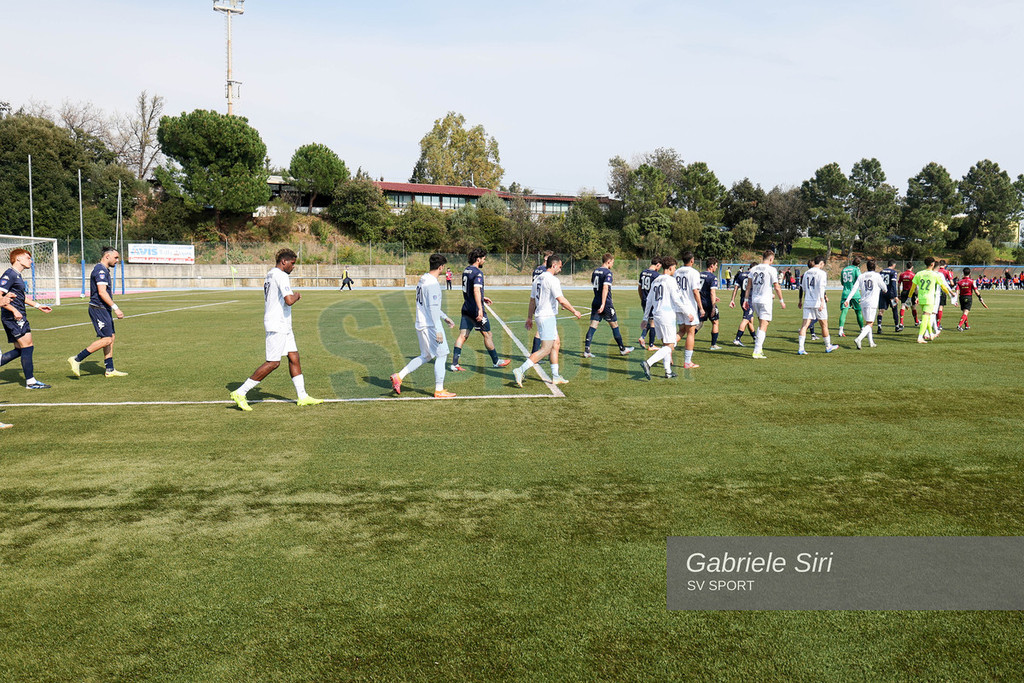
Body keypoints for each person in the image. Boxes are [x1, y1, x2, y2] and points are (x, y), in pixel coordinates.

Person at [230, 249, 323, 410]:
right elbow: (289, 300)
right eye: (292, 263)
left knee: (294, 357)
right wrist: (297, 295)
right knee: (273, 362)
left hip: (283, 324)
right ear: (283, 262)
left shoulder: (270, 274)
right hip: (277, 323)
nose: (293, 266)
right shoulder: (281, 275)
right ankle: (240, 392)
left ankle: (302, 396)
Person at [390, 254, 457, 398]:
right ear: (441, 267)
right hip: (430, 325)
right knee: (442, 354)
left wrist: (445, 317)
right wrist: (438, 329)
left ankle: (399, 376)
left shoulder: (423, 279)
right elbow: (432, 308)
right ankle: (439, 390)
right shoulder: (432, 283)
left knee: (426, 355)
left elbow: (428, 305)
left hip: (421, 323)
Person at [513, 254, 581, 387]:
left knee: (556, 344)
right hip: (547, 317)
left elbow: (532, 300)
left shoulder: (538, 279)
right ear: (554, 265)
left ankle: (555, 376)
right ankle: (520, 370)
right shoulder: (552, 280)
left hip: (541, 315)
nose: (560, 269)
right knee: (546, 349)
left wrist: (529, 317)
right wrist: (574, 311)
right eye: (560, 266)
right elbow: (561, 299)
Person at [67, 247, 128, 379]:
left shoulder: (104, 269)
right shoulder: (100, 270)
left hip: (103, 309)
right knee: (106, 339)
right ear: (107, 256)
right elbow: (102, 292)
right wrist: (116, 308)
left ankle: (110, 369)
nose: (117, 260)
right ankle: (77, 359)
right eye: (116, 257)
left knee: (111, 338)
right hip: (98, 308)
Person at [0, 248, 53, 389]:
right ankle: (31, 382)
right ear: (18, 259)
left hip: (17, 315)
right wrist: (14, 310)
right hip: (13, 317)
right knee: (27, 346)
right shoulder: (9, 274)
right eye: (28, 258)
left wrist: (38, 306)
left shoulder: (17, 275)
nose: (31, 261)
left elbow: (20, 297)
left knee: (21, 349)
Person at [450, 247, 510, 372]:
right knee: (488, 334)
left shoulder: (466, 270)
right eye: (483, 259)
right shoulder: (478, 272)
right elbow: (476, 290)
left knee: (463, 335)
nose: (484, 261)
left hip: (466, 307)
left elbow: (470, 290)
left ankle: (454, 364)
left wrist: (482, 298)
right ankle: (496, 361)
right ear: (478, 259)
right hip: (475, 309)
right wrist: (480, 309)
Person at [639, 257, 689, 379]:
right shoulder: (670, 281)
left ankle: (668, 372)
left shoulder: (656, 280)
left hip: (656, 315)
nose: (675, 270)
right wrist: (687, 313)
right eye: (675, 268)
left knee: (666, 344)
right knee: (670, 346)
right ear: (670, 268)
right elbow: (676, 300)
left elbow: (649, 300)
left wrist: (645, 318)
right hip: (667, 316)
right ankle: (648, 363)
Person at [584, 253, 633, 358]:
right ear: (608, 261)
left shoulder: (595, 271)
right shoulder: (608, 273)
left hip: (595, 301)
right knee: (614, 325)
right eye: (612, 262)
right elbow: (605, 288)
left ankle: (586, 350)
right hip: (605, 303)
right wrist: (603, 304)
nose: (612, 264)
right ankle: (622, 349)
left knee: (593, 325)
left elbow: (594, 284)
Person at [743, 250, 786, 359]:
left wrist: (746, 300)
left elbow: (748, 286)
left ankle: (759, 349)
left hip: (755, 299)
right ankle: (757, 351)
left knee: (761, 323)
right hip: (765, 300)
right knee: (764, 324)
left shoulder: (753, 269)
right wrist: (781, 300)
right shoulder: (771, 270)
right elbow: (776, 286)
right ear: (771, 259)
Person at [906, 256, 954, 344]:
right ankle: (920, 337)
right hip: (929, 298)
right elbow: (943, 286)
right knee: (925, 316)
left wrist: (909, 297)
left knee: (927, 316)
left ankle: (931, 334)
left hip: (921, 298)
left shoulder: (919, 273)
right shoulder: (935, 275)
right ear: (932, 264)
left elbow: (912, 288)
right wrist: (949, 294)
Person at [797, 255, 838, 355]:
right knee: (824, 325)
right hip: (818, 302)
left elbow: (803, 288)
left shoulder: (806, 273)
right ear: (821, 263)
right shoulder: (822, 273)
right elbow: (821, 288)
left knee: (804, 325)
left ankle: (801, 348)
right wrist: (822, 301)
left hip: (808, 301)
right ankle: (828, 346)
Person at [843, 259, 885, 350]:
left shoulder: (861, 276)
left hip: (863, 302)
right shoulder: (877, 276)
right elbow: (884, 287)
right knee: (870, 323)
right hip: (872, 302)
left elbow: (854, 288)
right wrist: (884, 290)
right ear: (875, 267)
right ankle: (859, 339)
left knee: (868, 323)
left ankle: (871, 342)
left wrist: (848, 299)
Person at [673, 252, 705, 369]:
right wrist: (701, 308)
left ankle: (667, 349)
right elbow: (695, 291)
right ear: (692, 260)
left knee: (682, 330)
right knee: (691, 333)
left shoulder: (676, 272)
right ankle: (687, 362)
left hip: (678, 306)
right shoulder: (694, 272)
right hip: (689, 306)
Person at [728, 262, 758, 346]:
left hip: (742, 300)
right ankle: (737, 339)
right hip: (749, 300)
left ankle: (755, 338)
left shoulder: (741, 275)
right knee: (746, 319)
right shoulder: (754, 276)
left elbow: (735, 288)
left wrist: (732, 300)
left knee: (750, 319)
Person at [529, 252, 552, 354]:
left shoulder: (536, 269)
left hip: (537, 298)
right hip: (544, 301)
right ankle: (536, 353)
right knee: (542, 329)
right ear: (546, 258)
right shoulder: (545, 271)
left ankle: (541, 351)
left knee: (544, 329)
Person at [636, 257, 662, 350]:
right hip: (652, 301)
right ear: (658, 264)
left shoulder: (643, 273)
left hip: (644, 300)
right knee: (653, 322)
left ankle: (642, 337)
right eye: (660, 266)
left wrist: (642, 298)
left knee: (648, 320)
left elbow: (639, 288)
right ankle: (651, 345)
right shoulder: (656, 275)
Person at [837, 257, 865, 337]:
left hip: (845, 293)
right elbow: (860, 280)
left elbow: (842, 282)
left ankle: (840, 330)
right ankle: (862, 329)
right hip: (855, 294)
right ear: (858, 264)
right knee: (858, 312)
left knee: (844, 312)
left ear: (852, 262)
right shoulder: (856, 269)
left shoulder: (844, 269)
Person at [698, 257, 722, 350]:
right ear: (711, 266)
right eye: (716, 265)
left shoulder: (699, 275)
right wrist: (713, 306)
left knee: (700, 323)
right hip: (708, 303)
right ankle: (713, 345)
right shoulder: (712, 277)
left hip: (700, 302)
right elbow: (712, 292)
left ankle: (689, 337)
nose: (716, 267)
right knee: (715, 322)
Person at [877, 260, 900, 333]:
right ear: (893, 265)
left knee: (881, 310)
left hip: (883, 293)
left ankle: (879, 327)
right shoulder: (893, 272)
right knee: (894, 309)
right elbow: (893, 284)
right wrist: (895, 296)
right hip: (891, 294)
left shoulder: (881, 272)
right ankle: (897, 326)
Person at [898, 262, 918, 330]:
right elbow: (915, 285)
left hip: (904, 292)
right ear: (912, 267)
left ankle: (901, 323)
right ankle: (916, 321)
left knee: (903, 306)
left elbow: (898, 284)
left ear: (906, 267)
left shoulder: (902, 274)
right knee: (913, 307)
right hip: (911, 293)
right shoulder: (913, 275)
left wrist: (899, 293)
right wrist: (916, 295)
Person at [936, 260, 955, 331]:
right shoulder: (947, 272)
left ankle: (935, 323)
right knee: (940, 307)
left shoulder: (935, 271)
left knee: (934, 308)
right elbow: (951, 283)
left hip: (934, 290)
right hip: (942, 290)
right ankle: (938, 324)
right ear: (945, 265)